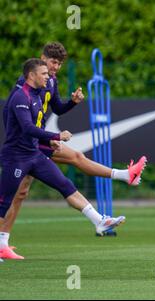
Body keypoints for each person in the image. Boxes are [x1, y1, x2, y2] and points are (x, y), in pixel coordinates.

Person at [0, 43, 147, 260]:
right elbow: (15, 118)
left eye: (59, 64)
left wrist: (73, 103)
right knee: (16, 194)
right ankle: (122, 177)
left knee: (29, 189)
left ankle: (3, 242)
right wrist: (50, 137)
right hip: (25, 144)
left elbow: (57, 108)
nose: (56, 67)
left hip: (35, 142)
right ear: (42, 60)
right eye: (53, 62)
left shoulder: (49, 80)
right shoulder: (25, 87)